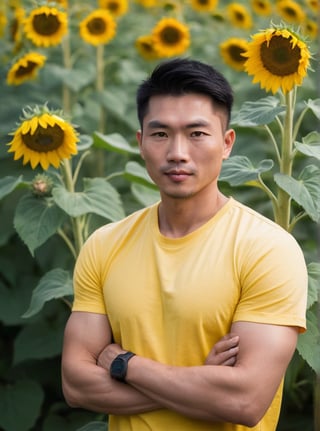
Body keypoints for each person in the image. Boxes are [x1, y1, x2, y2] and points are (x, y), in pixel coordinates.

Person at [61, 58, 308, 431]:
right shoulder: (104, 244)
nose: (177, 152)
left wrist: (123, 364)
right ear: (141, 143)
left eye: (196, 134)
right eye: (161, 134)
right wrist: (199, 383)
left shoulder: (268, 249)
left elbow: (244, 399)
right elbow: (76, 386)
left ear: (226, 144)